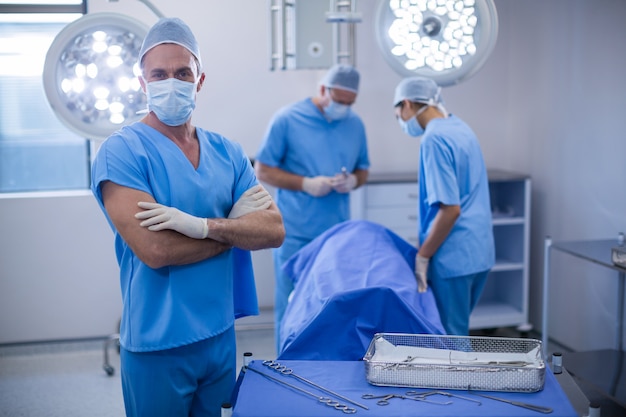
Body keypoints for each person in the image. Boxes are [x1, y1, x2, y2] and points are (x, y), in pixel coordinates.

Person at [90, 17, 285, 417]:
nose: (171, 82)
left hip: (218, 334)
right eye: (159, 74)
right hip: (157, 341)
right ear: (142, 83)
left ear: (199, 81)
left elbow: (273, 229)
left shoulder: (227, 152)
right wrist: (234, 228)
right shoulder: (122, 153)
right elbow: (156, 249)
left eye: (182, 73)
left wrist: (201, 226)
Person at [254, 64, 370, 350]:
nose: (343, 108)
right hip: (294, 231)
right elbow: (264, 170)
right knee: (291, 304)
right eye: (339, 101)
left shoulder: (355, 124)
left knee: (332, 304)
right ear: (322, 89)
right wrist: (305, 183)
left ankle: (325, 369)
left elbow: (364, 169)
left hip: (336, 233)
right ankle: (286, 366)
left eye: (349, 103)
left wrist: (353, 180)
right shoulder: (287, 119)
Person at [393, 76, 495, 336]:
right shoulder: (461, 127)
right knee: (458, 329)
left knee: (451, 344)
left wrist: (423, 255)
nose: (401, 122)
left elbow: (450, 210)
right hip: (479, 252)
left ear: (406, 104)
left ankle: (467, 378)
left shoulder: (434, 139)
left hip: (453, 256)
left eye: (398, 115)